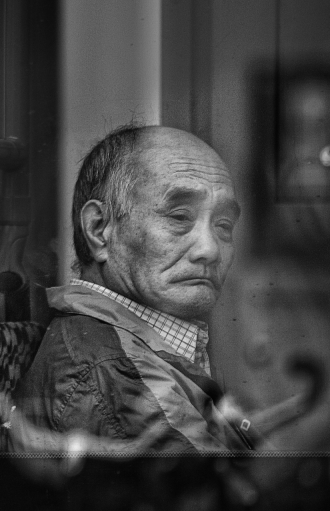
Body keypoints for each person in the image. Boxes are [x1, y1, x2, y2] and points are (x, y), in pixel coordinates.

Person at [17, 124, 252, 452]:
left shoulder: (131, 350)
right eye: (180, 216)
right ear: (99, 229)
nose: (210, 249)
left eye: (223, 225)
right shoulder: (114, 372)